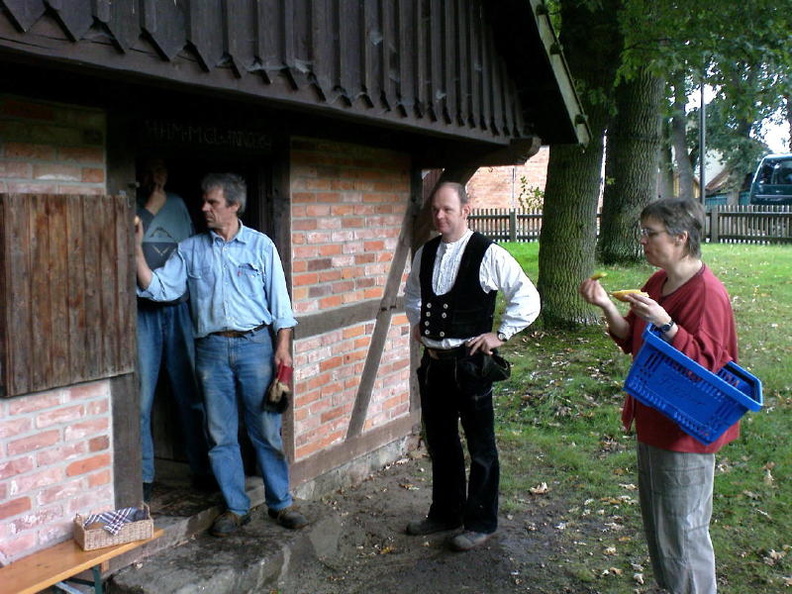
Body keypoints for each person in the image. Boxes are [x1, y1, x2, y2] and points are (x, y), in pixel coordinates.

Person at [579, 198, 739, 594]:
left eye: (651, 233)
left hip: (686, 428)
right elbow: (630, 337)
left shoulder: (707, 294)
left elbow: (711, 368)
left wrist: (667, 324)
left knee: (684, 531)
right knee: (661, 524)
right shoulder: (657, 282)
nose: (643, 240)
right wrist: (604, 306)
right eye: (643, 231)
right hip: (653, 417)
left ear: (681, 238)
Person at [135, 172, 308, 536]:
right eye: (204, 201)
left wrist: (283, 348)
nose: (204, 208)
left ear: (234, 205)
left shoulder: (261, 247)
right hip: (210, 350)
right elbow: (161, 289)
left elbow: (281, 304)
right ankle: (235, 507)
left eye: (212, 202)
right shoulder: (191, 249)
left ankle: (281, 503)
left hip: (255, 347)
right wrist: (136, 250)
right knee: (219, 435)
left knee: (266, 430)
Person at [403, 181, 541, 552]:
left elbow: (527, 297)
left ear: (466, 209)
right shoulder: (426, 253)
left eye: (447, 209)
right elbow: (413, 293)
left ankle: (481, 521)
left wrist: (501, 334)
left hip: (469, 365)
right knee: (442, 442)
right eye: (435, 210)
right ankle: (446, 512)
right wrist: (417, 323)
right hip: (433, 365)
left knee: (481, 446)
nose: (440, 216)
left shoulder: (488, 253)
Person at [135, 158, 212, 503]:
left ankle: (201, 469)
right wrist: (150, 207)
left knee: (191, 394)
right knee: (140, 399)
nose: (158, 176)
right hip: (142, 312)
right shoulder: (130, 204)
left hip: (179, 308)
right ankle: (143, 477)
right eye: (152, 171)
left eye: (163, 171)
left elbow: (191, 253)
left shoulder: (180, 204)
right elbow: (122, 244)